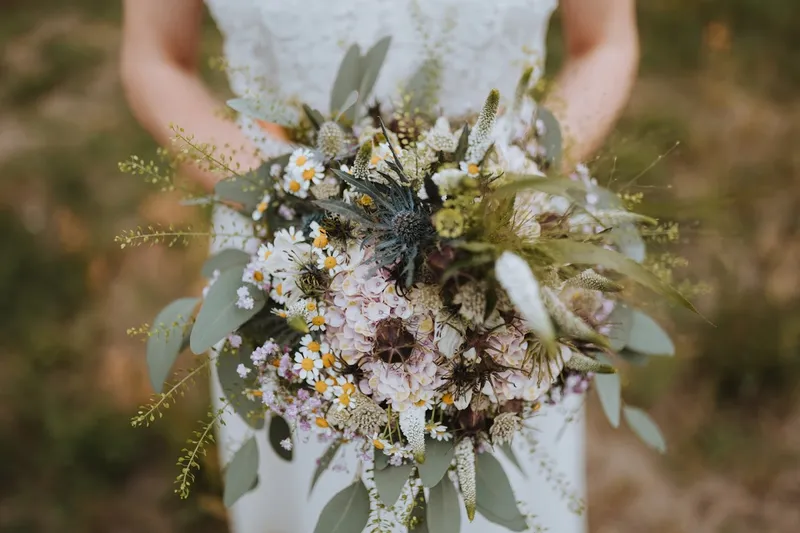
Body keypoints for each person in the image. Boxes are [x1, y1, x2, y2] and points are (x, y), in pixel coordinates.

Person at [121, 1, 639, 532]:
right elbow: (156, 58)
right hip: (292, 250)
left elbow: (604, 43)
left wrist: (513, 192)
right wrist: (294, 200)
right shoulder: (292, 235)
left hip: (499, 255)